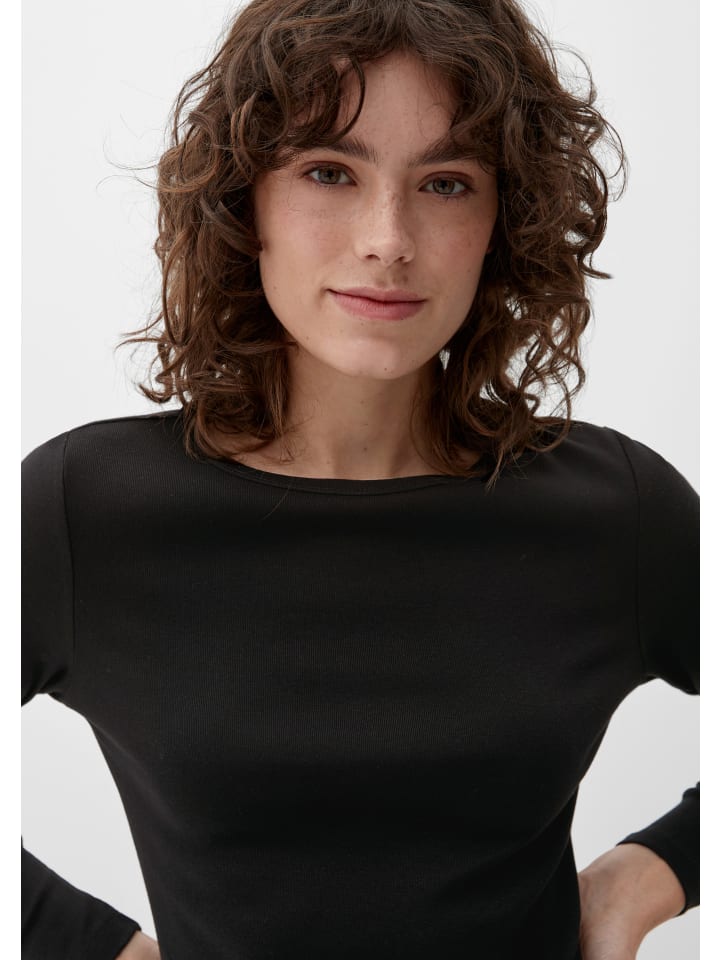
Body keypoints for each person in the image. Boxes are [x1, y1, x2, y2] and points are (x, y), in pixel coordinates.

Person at [21, 0, 699, 958]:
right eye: (329, 171)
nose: (388, 238)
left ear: (504, 221)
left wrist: (652, 873)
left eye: (447, 183)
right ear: (244, 201)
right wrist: (88, 944)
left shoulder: (615, 511)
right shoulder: (83, 511)